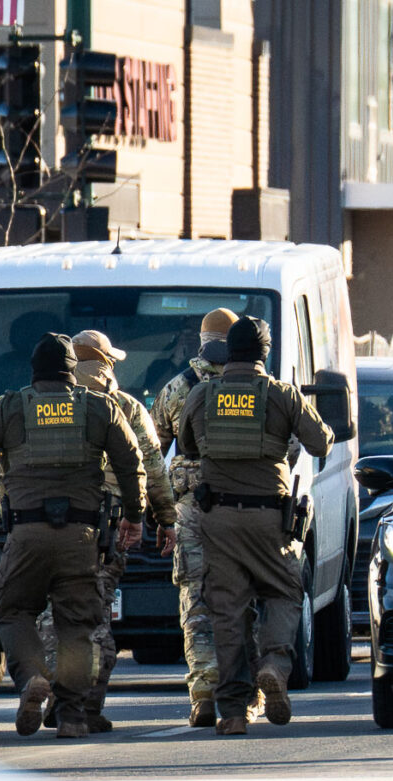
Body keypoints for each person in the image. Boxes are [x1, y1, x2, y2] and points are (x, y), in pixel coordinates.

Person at [0, 333, 147, 739]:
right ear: (72, 370)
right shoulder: (99, 407)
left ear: (33, 369)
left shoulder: (11, 407)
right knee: (78, 623)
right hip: (82, 536)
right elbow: (131, 462)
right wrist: (134, 515)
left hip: (27, 534)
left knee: (9, 608)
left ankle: (32, 680)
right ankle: (73, 715)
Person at [178, 316, 334, 735]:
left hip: (219, 521)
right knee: (284, 590)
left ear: (229, 352)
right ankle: (274, 665)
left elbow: (187, 446)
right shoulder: (282, 395)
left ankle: (232, 712)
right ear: (265, 353)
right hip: (270, 519)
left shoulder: (200, 395)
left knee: (227, 613)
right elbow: (321, 442)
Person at [34, 329, 179, 734]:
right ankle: (81, 707)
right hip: (106, 530)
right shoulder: (126, 408)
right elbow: (151, 466)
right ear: (105, 364)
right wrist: (165, 519)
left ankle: (54, 692)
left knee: (52, 616)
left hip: (45, 523)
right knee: (95, 620)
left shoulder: (39, 402)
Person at [150, 307, 262, 728]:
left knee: (196, 604)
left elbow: (153, 453)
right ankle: (245, 696)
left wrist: (161, 513)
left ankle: (203, 697)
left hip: (193, 512)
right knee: (243, 604)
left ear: (201, 342)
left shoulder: (178, 389)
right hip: (246, 512)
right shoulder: (258, 385)